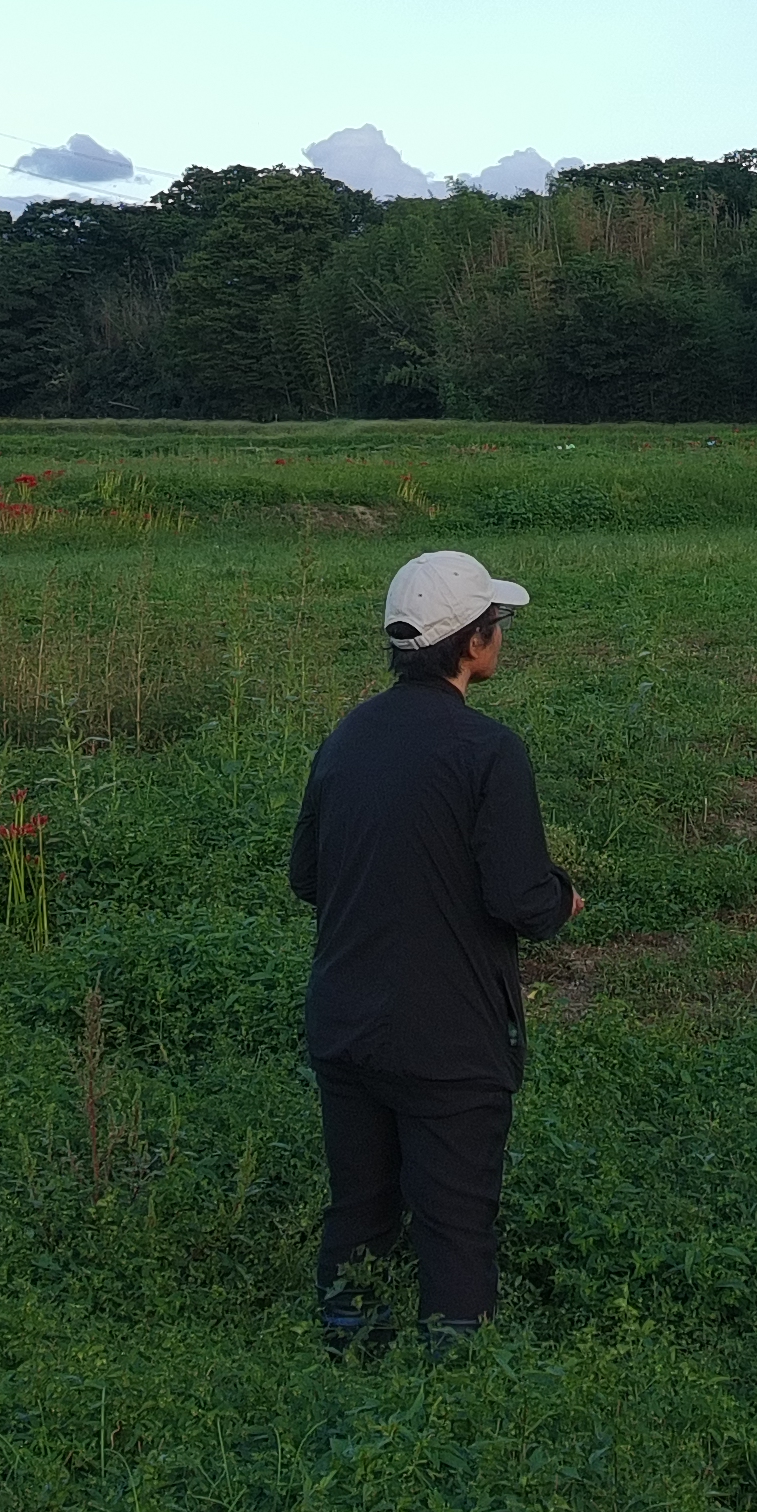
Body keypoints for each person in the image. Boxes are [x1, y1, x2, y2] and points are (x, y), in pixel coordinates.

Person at [287, 549, 581, 1353]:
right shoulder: (489, 751)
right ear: (472, 642)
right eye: (499, 624)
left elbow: (306, 875)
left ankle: (348, 1345)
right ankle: (454, 1387)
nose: (502, 639)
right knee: (455, 1216)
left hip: (346, 1022)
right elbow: (522, 902)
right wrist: (564, 897)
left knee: (360, 1206)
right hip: (450, 1036)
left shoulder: (345, 737)